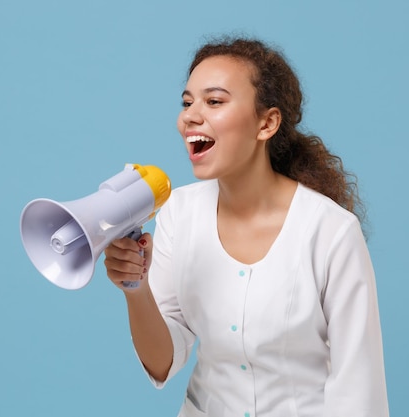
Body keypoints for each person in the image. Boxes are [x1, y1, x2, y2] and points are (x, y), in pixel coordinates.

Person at [104, 36, 389, 417]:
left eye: (215, 101)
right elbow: (163, 362)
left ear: (267, 123)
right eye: (187, 102)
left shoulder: (331, 231)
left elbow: (359, 390)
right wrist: (135, 290)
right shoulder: (178, 212)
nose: (190, 115)